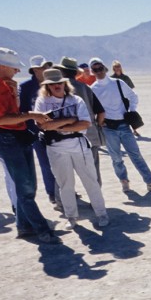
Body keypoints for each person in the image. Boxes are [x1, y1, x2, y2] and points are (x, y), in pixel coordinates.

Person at [0, 47, 58, 243]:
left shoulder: (5, 83)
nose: (18, 71)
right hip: (7, 138)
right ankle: (43, 230)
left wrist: (14, 94)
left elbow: (13, 110)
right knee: (25, 189)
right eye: (14, 68)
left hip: (19, 135)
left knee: (29, 186)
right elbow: (1, 119)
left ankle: (23, 227)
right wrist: (32, 115)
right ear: (2, 66)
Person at [33, 69, 109, 227]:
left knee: (90, 181)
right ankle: (71, 217)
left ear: (64, 83)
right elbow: (42, 125)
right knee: (65, 184)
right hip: (56, 148)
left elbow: (85, 123)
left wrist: (56, 125)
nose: (56, 86)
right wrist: (69, 120)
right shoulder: (42, 102)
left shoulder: (76, 100)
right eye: (52, 84)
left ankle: (101, 213)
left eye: (59, 83)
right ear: (47, 86)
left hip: (78, 145)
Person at [88, 57, 151, 192]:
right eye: (95, 69)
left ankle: (150, 182)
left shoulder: (118, 83)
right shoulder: (93, 89)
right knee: (116, 158)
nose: (98, 71)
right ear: (92, 71)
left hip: (124, 125)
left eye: (100, 68)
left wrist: (131, 111)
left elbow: (133, 96)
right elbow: (93, 109)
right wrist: (100, 123)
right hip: (108, 128)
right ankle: (124, 181)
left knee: (136, 155)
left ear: (105, 68)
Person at [55, 57, 105, 177]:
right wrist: (97, 125)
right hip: (89, 135)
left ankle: (62, 196)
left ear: (61, 71)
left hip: (63, 137)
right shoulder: (85, 87)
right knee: (93, 172)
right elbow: (101, 112)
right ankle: (96, 195)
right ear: (76, 72)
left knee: (64, 174)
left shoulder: (55, 88)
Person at [19, 55, 58, 206]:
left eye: (47, 66)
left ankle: (65, 189)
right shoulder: (26, 87)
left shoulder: (53, 84)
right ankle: (52, 192)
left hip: (57, 129)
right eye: (43, 67)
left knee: (61, 161)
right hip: (36, 132)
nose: (46, 69)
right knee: (46, 163)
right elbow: (22, 110)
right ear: (35, 70)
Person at [110, 60, 141, 138]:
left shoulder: (125, 77)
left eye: (118, 66)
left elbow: (131, 88)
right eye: (115, 67)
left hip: (126, 99)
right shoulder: (111, 78)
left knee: (129, 114)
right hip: (116, 100)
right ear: (113, 68)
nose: (117, 68)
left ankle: (134, 130)